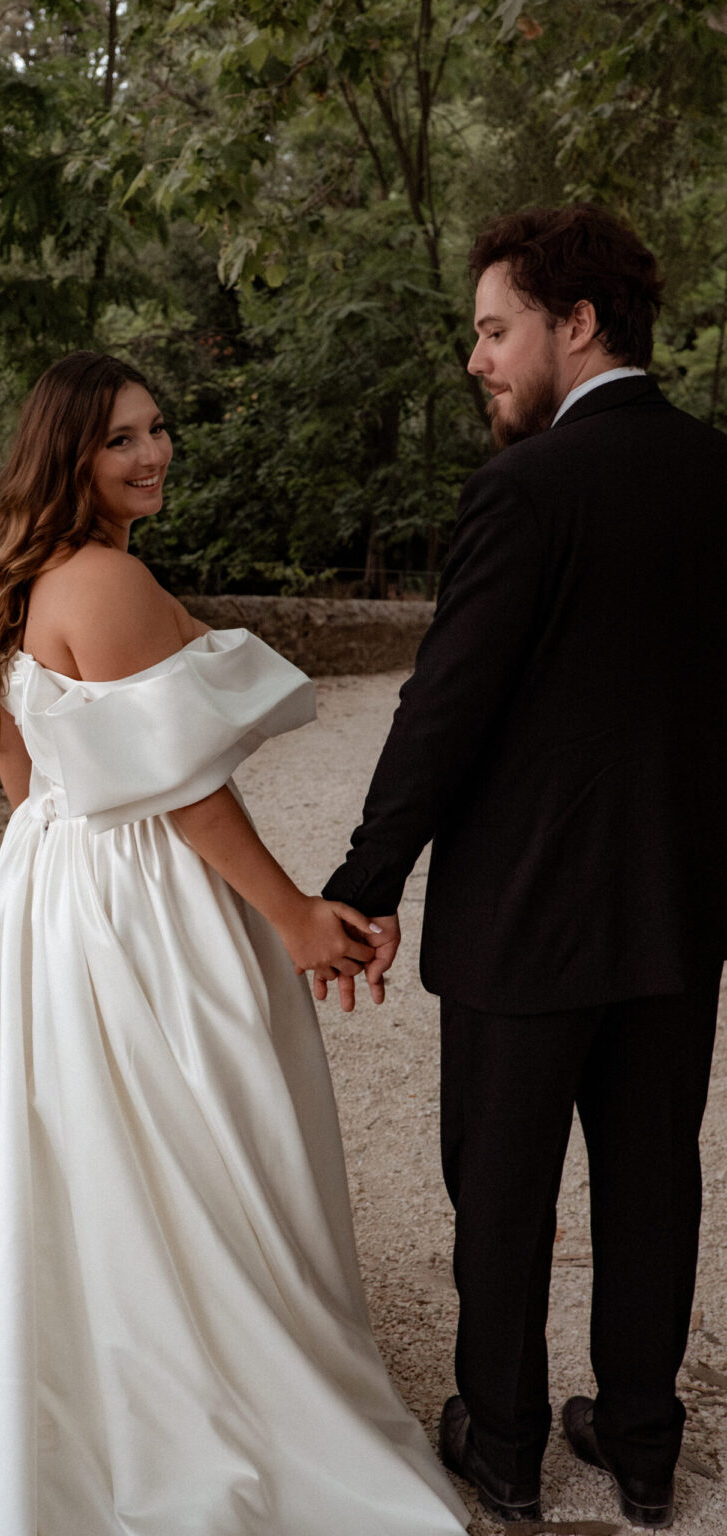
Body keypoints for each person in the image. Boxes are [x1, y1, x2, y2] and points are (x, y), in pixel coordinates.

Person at [0, 351, 468, 1536]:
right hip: (137, 892)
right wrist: (291, 916)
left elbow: (25, 788)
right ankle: (183, 1380)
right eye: (121, 437)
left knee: (77, 1132)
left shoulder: (16, 584)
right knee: (197, 1127)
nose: (152, 452)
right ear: (69, 453)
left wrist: (71, 873)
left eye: (157, 428)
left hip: (56, 885)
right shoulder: (104, 583)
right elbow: (181, 791)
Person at [323, 203, 727, 1529]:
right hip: (679, 917)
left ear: (578, 325)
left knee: (500, 1187)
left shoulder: (521, 491)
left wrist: (365, 883)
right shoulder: (720, 476)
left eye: (496, 331)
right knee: (654, 1176)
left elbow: (446, 712)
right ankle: (643, 1438)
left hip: (523, 924)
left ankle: (501, 1443)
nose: (478, 359)